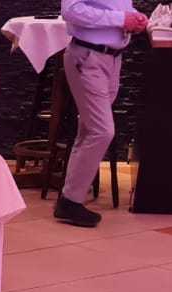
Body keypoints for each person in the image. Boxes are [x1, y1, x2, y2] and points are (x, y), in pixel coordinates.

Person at [55, 1, 149, 227]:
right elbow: (71, 10)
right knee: (101, 131)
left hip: (112, 59)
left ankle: (70, 198)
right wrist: (121, 19)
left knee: (89, 130)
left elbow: (115, 7)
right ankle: (70, 200)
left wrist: (135, 17)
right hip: (88, 57)